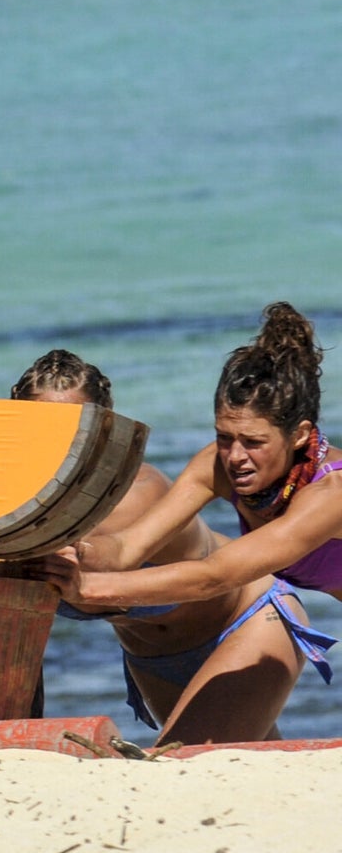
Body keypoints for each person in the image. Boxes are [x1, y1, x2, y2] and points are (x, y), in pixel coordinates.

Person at [49, 308, 338, 742]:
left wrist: (85, 589)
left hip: (254, 610)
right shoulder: (217, 466)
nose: (236, 456)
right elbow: (129, 548)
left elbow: (214, 576)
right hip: (178, 646)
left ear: (299, 436)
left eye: (254, 442)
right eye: (225, 437)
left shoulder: (330, 495)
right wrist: (77, 554)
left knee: (181, 760)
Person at [14, 349, 289, 739]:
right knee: (246, 770)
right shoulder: (10, 505)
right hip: (154, 657)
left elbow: (102, 561)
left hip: (246, 621)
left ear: (106, 428)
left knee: (183, 764)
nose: (58, 441)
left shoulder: (138, 493)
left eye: (75, 426)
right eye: (38, 426)